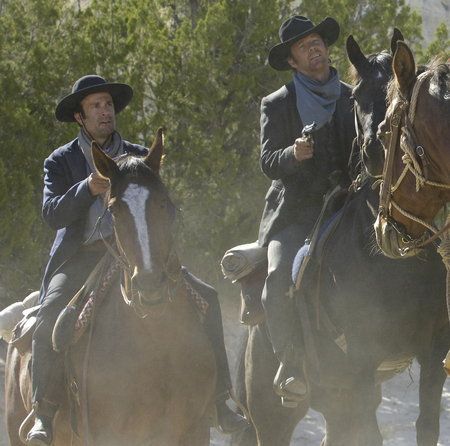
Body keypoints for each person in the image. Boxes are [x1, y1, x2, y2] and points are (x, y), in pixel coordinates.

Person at [27, 75, 247, 445]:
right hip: (82, 257)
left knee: (207, 297)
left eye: (108, 104)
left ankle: (221, 400)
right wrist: (88, 188)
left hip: (136, 252)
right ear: (80, 116)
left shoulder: (140, 156)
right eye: (95, 106)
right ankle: (44, 413)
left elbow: (163, 208)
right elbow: (52, 214)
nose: (105, 111)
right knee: (50, 314)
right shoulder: (61, 161)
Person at [257, 16, 355, 403]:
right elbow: (268, 162)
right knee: (278, 278)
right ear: (292, 61)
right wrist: (293, 155)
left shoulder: (353, 96)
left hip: (348, 207)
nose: (314, 49)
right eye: (303, 46)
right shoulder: (277, 103)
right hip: (296, 214)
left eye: (317, 42)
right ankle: (291, 362)